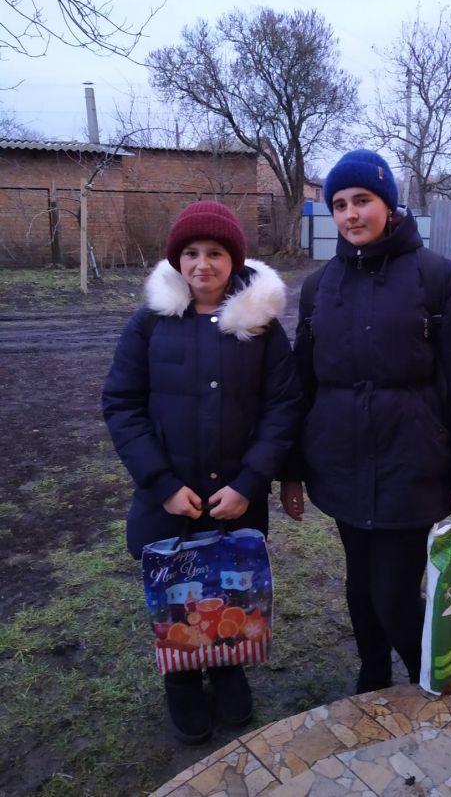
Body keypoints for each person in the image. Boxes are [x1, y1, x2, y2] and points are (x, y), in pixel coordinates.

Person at [280, 150, 451, 693]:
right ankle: (371, 673)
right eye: (340, 204)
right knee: (359, 585)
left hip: (413, 464)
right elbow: (300, 384)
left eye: (363, 201)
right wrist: (293, 470)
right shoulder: (319, 286)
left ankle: (438, 678)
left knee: (394, 594)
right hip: (342, 463)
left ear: (389, 203)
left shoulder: (439, 278)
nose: (351, 214)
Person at [102, 201, 301, 744]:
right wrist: (161, 485)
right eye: (191, 253)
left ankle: (228, 665)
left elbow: (283, 408)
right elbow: (122, 403)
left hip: (235, 496)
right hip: (170, 498)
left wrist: (250, 482)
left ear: (233, 260)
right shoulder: (150, 325)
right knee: (178, 591)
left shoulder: (262, 331)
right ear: (177, 260)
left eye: (215, 253)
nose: (203, 265)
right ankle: (183, 678)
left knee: (227, 587)